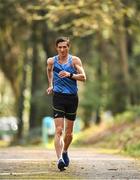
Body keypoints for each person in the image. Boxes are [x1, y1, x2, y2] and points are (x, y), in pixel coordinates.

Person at [46, 37, 86, 171]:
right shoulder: (51, 61)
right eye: (60, 47)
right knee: (59, 130)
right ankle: (59, 160)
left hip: (72, 98)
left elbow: (83, 77)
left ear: (68, 47)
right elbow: (49, 71)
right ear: (56, 48)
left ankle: (65, 151)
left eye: (65, 47)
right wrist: (50, 85)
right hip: (58, 97)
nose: (62, 49)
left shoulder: (74, 61)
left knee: (69, 133)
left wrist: (69, 74)